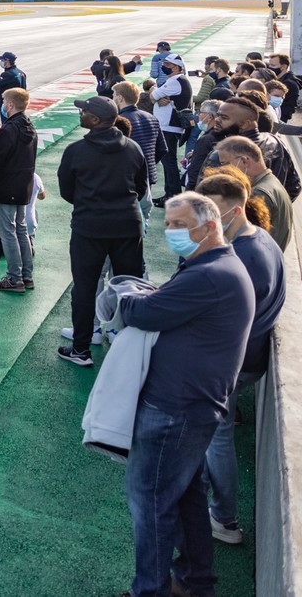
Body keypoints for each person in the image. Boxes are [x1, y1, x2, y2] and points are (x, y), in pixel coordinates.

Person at [114, 192, 254, 597]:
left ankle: (150, 590)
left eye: (180, 225)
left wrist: (128, 296)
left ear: (210, 226)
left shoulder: (209, 275)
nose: (172, 231)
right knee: (185, 497)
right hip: (192, 407)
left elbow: (142, 312)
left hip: (174, 410)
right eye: (169, 224)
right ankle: (195, 581)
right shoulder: (215, 267)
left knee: (151, 503)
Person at [192, 168, 284, 545]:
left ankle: (224, 519)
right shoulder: (260, 239)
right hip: (246, 359)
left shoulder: (245, 255)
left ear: (235, 209)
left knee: (217, 437)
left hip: (231, 365)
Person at [55, 97, 148, 366]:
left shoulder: (76, 151)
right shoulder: (132, 148)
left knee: (84, 288)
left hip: (89, 227)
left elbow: (67, 190)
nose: (80, 114)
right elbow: (140, 187)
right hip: (128, 225)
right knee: (130, 287)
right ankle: (131, 346)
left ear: (95, 120)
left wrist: (90, 203)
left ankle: (81, 349)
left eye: (84, 112)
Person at [0, 88, 38, 293]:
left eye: (3, 101)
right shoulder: (30, 127)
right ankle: (26, 275)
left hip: (5, 186)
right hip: (23, 186)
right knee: (21, 230)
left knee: (8, 233)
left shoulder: (8, 130)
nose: (2, 104)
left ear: (10, 104)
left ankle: (14, 277)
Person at [216, 135, 292, 249]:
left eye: (225, 164)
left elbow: (246, 240)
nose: (223, 169)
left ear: (244, 161)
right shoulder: (273, 183)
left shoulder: (259, 193)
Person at [113, 81, 162, 225]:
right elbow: (162, 149)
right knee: (142, 220)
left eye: (114, 95)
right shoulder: (151, 117)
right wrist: (147, 164)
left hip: (128, 179)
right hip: (147, 176)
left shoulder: (120, 122)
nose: (113, 98)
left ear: (120, 98)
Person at [151, 52, 192, 203]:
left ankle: (172, 195)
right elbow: (155, 96)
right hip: (169, 126)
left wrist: (154, 92)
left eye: (167, 64)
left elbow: (152, 96)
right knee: (168, 162)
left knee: (169, 162)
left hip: (169, 127)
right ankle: (169, 194)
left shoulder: (175, 81)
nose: (164, 66)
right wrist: (156, 95)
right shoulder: (178, 80)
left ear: (176, 67)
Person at [0, 51, 27, 118]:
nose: (1, 62)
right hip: (19, 104)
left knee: (8, 123)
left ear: (7, 61)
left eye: (2, 60)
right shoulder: (21, 73)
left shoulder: (8, 74)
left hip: (9, 106)